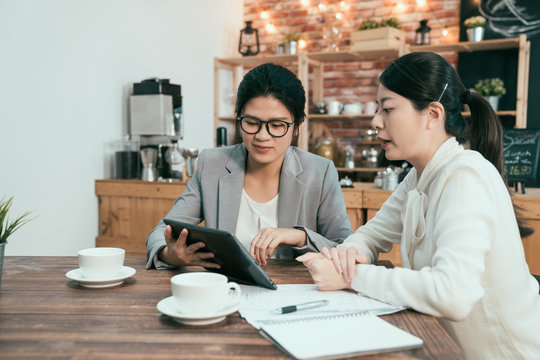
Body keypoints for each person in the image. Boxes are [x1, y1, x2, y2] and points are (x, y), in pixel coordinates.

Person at [297, 52, 540, 359]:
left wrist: (350, 277)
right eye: (377, 109)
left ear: (433, 114)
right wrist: (349, 254)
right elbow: (370, 236)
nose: (375, 121)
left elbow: (453, 294)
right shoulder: (419, 177)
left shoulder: (466, 176)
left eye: (387, 109)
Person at [146, 63, 353, 270]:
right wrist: (169, 254)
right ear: (239, 119)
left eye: (277, 126)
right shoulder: (212, 164)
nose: (262, 136)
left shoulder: (320, 172)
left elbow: (345, 247)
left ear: (297, 127)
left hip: (295, 292)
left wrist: (300, 237)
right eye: (252, 123)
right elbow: (162, 230)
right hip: (228, 291)